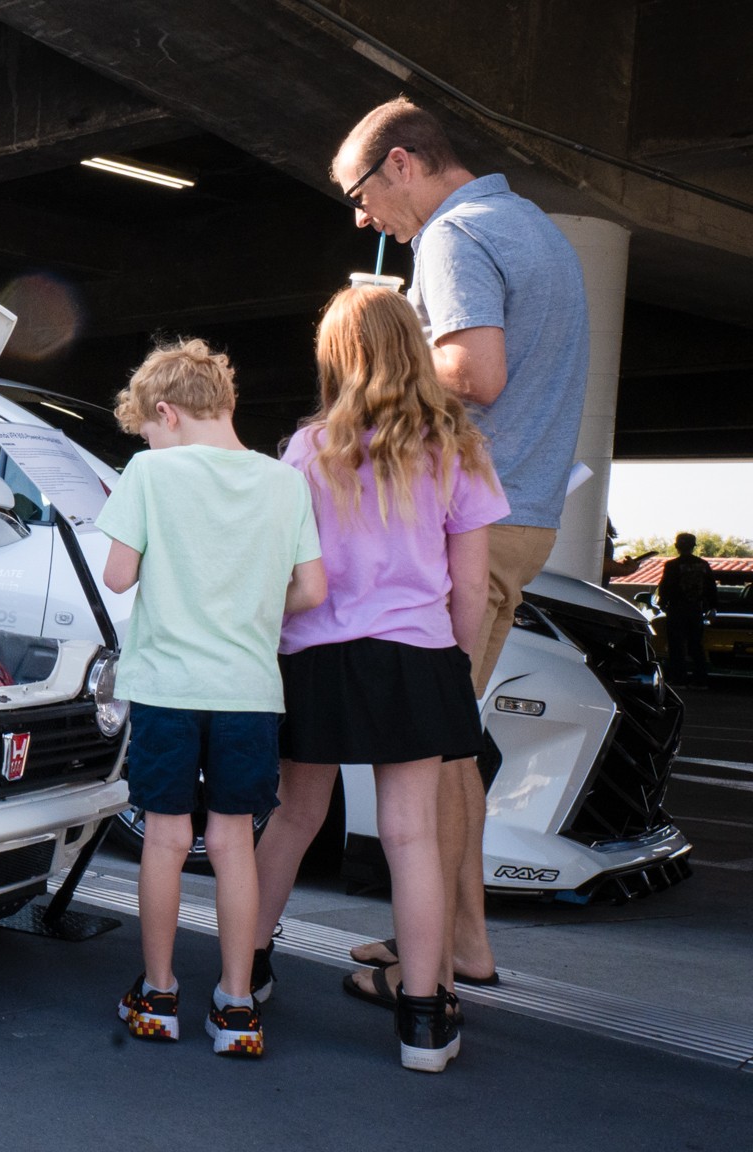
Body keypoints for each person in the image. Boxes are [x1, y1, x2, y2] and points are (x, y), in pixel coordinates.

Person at [331, 96, 589, 1004]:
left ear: (402, 163)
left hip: (470, 520)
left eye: (360, 193)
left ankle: (426, 971)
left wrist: (384, 345)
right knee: (452, 745)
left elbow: (474, 374)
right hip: (525, 511)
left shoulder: (450, 236)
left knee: (427, 753)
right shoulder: (532, 229)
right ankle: (460, 944)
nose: (362, 217)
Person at [249, 285, 505, 1072]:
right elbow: (471, 586)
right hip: (417, 658)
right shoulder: (457, 446)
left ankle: (248, 970)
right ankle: (424, 1019)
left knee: (294, 817)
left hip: (318, 655)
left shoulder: (308, 449)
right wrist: (454, 666)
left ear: (338, 358)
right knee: (413, 837)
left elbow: (287, 570)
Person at [97, 338, 325, 1059]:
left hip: (167, 686)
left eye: (150, 431)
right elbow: (313, 589)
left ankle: (157, 996)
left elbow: (118, 576)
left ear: (165, 412)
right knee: (233, 842)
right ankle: (235, 1008)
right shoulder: (284, 483)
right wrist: (252, 608)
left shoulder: (150, 473)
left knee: (165, 838)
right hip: (249, 692)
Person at [658, 532, 718, 686]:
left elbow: (666, 586)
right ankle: (700, 679)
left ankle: (679, 678)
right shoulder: (703, 565)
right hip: (696, 610)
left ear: (677, 546)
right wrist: (712, 606)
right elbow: (711, 587)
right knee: (695, 645)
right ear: (693, 546)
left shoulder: (671, 565)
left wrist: (663, 603)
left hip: (676, 610)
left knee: (676, 645)